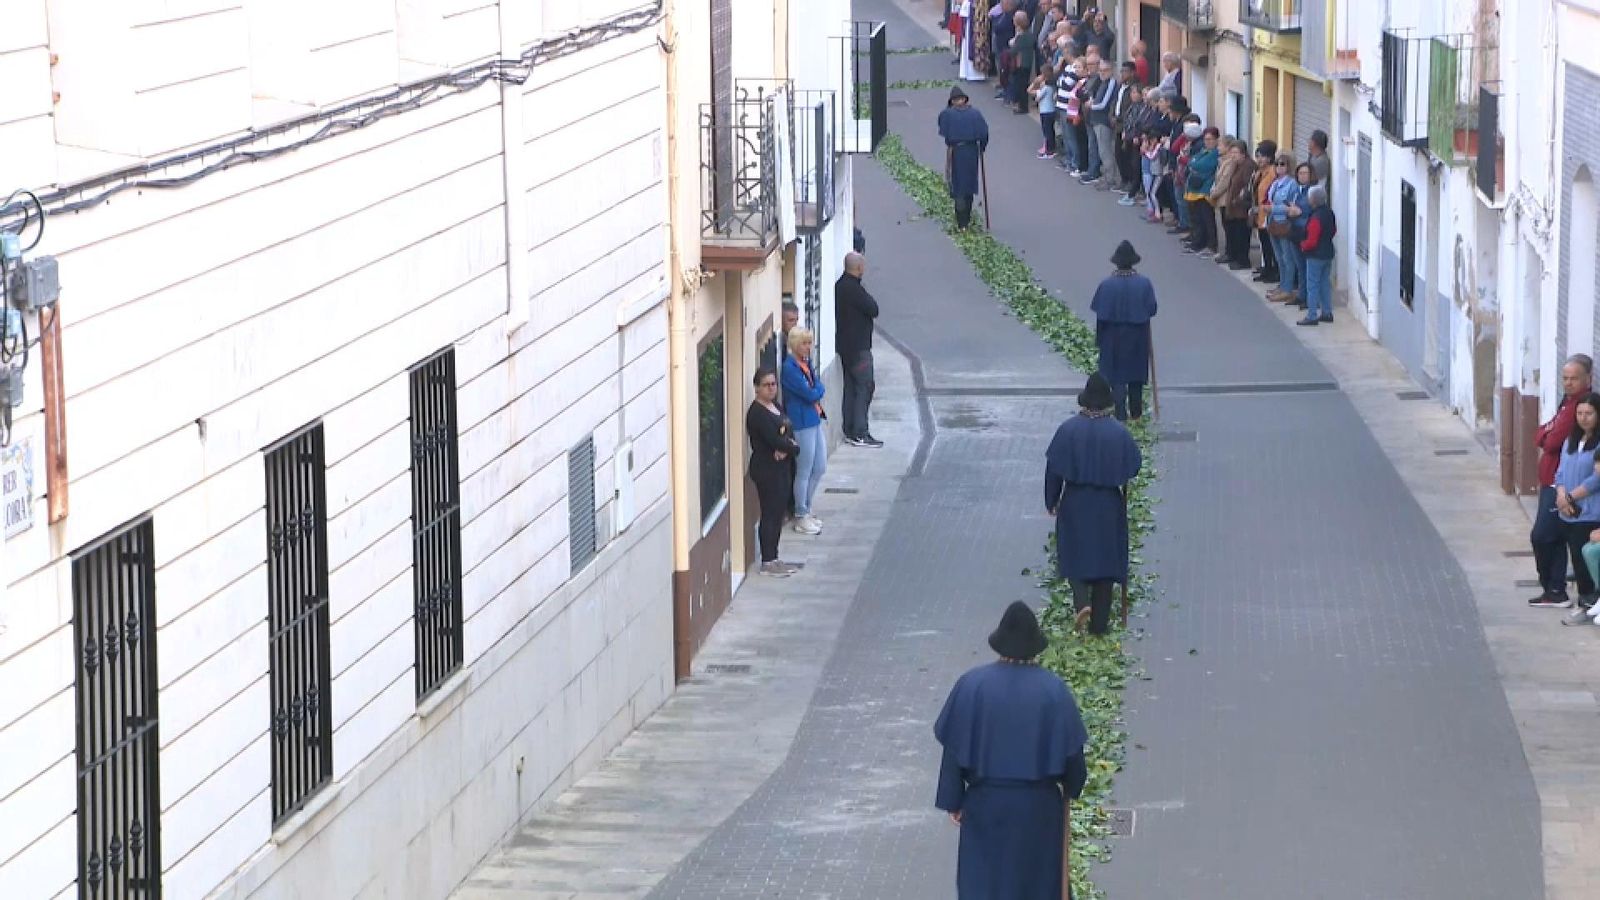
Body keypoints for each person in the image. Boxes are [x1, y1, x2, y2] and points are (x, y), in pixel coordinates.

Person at [933, 601, 1089, 899]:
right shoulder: (1053, 690)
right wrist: (1072, 785)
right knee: (1036, 884)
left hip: (986, 804)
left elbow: (953, 748)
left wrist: (954, 800)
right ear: (1035, 647)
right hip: (1038, 810)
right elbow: (1073, 758)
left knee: (986, 883)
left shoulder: (971, 685)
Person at [1046, 373, 1143, 634]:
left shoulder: (1067, 430)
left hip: (1075, 501)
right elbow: (1134, 466)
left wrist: (1051, 500)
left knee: (1074, 553)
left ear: (1085, 401)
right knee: (1105, 560)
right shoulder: (1119, 433)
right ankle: (1100, 625)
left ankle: (1080, 603)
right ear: (1109, 403)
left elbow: (1053, 468)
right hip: (1108, 503)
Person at [1530, 356, 1596, 607]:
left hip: (1569, 491)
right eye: (1565, 378)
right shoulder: (1568, 403)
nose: (1568, 383)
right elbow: (1543, 433)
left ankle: (1558, 589)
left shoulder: (1580, 406)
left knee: (1544, 536)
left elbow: (1552, 441)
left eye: (1574, 378)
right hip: (1556, 484)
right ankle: (1555, 590)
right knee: (1554, 538)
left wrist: (1566, 495)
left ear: (1587, 379)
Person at [1091, 241, 1158, 422]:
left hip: (1112, 336)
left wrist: (1098, 341)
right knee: (1135, 374)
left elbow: (1100, 315)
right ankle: (1136, 413)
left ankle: (1120, 412)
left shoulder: (1106, 285)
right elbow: (1151, 309)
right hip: (1137, 336)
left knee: (1116, 375)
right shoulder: (1144, 283)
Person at [746, 368, 801, 577]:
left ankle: (775, 556)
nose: (772, 388)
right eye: (767, 385)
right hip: (766, 468)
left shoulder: (775, 406)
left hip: (782, 467)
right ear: (757, 388)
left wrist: (787, 446)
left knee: (778, 513)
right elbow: (774, 439)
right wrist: (790, 447)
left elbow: (788, 429)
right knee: (769, 513)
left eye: (774, 384)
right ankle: (768, 560)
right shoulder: (757, 414)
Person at [1552, 394, 1600, 623]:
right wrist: (1561, 495)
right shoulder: (1571, 441)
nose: (1584, 418)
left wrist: (1570, 497)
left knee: (1585, 562)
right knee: (1576, 559)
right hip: (1568, 511)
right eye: (1580, 413)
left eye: (1589, 413)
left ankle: (1588, 603)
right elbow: (1560, 471)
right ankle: (1586, 602)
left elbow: (1595, 479)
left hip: (1589, 511)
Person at [782, 328, 828, 536]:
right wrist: (817, 391)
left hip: (814, 418)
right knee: (805, 469)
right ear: (794, 345)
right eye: (804, 343)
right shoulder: (790, 368)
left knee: (820, 466)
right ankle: (801, 514)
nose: (808, 347)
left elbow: (817, 387)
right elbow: (811, 393)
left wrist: (817, 390)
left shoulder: (806, 364)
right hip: (801, 422)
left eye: (809, 343)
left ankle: (806, 508)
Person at [835, 252, 882, 448]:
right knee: (865, 387)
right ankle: (860, 432)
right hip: (859, 348)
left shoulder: (839, 285)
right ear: (859, 268)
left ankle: (850, 429)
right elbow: (873, 308)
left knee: (851, 388)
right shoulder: (854, 289)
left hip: (845, 346)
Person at [939, 86, 991, 229]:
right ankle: (965, 217)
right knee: (969, 182)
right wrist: (982, 147)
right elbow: (984, 134)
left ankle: (962, 221)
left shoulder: (947, 114)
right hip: (972, 151)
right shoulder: (975, 114)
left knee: (957, 184)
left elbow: (944, 132)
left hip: (956, 151)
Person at [1297, 185, 1337, 325]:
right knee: (1324, 283)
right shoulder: (1329, 213)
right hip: (1327, 252)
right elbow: (1333, 231)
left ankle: (1312, 315)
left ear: (1313, 200)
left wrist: (1303, 245)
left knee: (1312, 285)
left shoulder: (1315, 217)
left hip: (1315, 255)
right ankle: (1327, 312)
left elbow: (1312, 240)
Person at [1183, 127, 1221, 256]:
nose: (1207, 142)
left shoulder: (1215, 154)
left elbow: (1203, 166)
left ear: (1216, 140)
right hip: (1194, 189)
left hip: (1205, 191)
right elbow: (1191, 162)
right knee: (1197, 219)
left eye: (1210, 139)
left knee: (1207, 219)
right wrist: (1193, 164)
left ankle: (1211, 245)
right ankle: (1198, 242)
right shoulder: (1203, 151)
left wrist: (1194, 165)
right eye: (1205, 139)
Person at [1249, 140, 1280, 284]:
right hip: (1259, 213)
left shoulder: (1272, 173)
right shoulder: (1259, 172)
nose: (1259, 160)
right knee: (1264, 244)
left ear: (1270, 157)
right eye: (1257, 156)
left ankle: (1273, 271)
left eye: (1262, 156)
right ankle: (1266, 268)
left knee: (1270, 245)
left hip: (1268, 214)